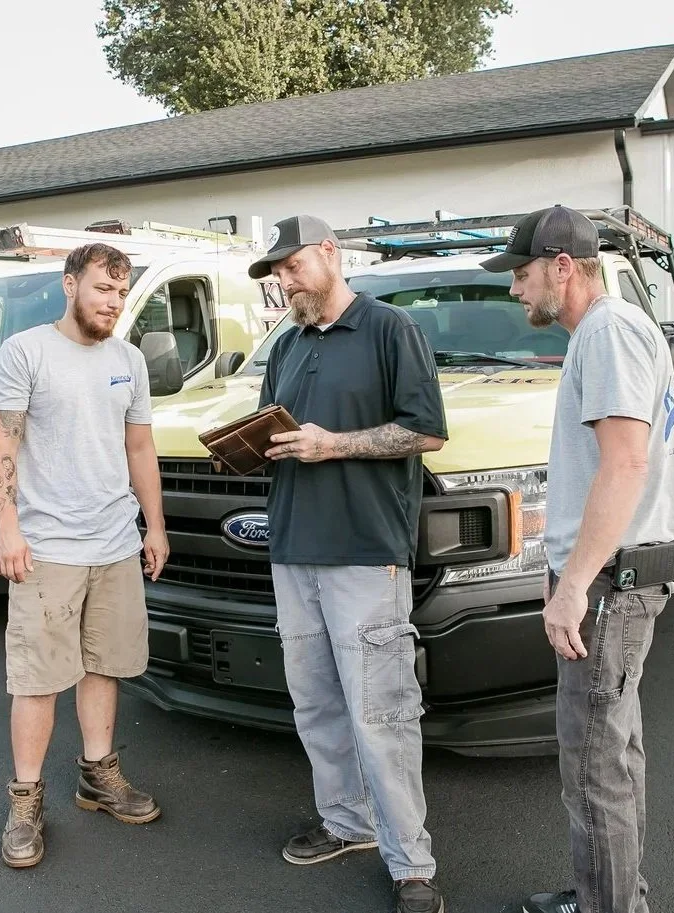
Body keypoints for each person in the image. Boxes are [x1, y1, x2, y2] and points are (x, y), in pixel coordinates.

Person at [482, 205, 674, 913]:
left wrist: (571, 585)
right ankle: (613, 893)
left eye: (520, 273)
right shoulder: (614, 330)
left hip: (610, 581)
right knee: (612, 753)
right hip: (620, 574)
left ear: (561, 266)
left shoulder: (606, 331)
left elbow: (626, 462)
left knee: (592, 764)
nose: (514, 290)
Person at [248, 215, 449, 913]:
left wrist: (333, 445)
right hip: (292, 548)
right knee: (316, 703)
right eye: (275, 272)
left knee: (380, 712)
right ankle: (346, 822)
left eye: (291, 265)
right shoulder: (288, 342)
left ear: (330, 253)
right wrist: (250, 446)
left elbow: (424, 429)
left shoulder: (391, 330)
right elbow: (277, 428)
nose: (283, 279)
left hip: (364, 551)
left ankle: (411, 865)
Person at [0, 242, 169, 868]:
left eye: (121, 292)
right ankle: (26, 799)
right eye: (102, 290)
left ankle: (98, 775)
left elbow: (140, 449)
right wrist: (6, 528)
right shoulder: (26, 352)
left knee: (103, 665)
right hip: (47, 547)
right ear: (70, 286)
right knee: (38, 679)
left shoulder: (129, 359)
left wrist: (155, 525)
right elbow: (2, 447)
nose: (113, 303)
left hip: (115, 542)